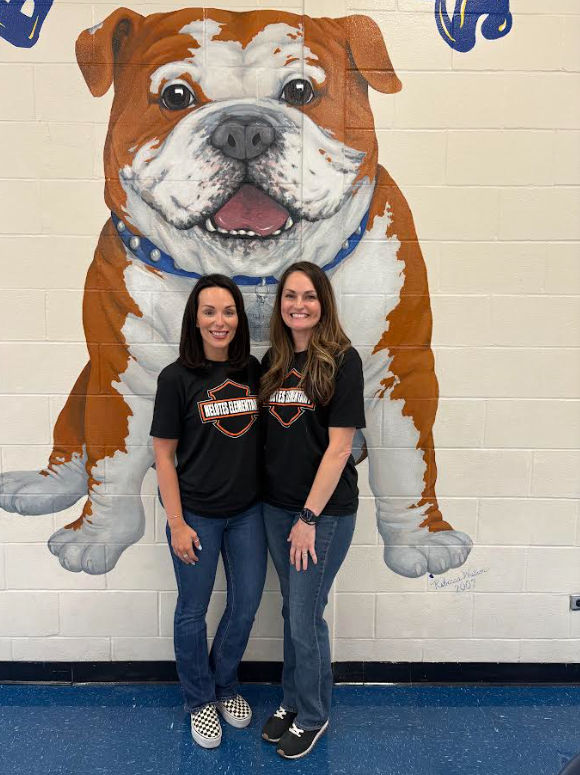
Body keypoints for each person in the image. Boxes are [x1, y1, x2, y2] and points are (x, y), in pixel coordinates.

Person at [151, 274, 266, 749]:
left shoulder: (254, 370)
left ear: (239, 319)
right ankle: (198, 700)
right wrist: (176, 523)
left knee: (246, 605)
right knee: (192, 612)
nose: (220, 321)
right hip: (195, 515)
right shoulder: (176, 378)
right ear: (195, 319)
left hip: (247, 514)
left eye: (228, 312)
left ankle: (225, 685)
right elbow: (163, 456)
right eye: (209, 311)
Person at [259, 261, 365, 759]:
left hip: (321, 515)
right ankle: (292, 698)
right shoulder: (273, 364)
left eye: (308, 296)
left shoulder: (343, 361)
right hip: (275, 509)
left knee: (306, 617)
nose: (298, 305)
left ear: (323, 303)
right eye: (289, 297)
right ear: (280, 307)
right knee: (292, 611)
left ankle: (314, 713)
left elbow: (340, 447)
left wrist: (308, 518)